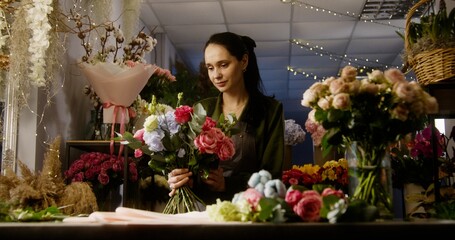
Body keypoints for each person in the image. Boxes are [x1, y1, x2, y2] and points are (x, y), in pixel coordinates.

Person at [167, 31, 285, 206]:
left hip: (250, 211)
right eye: (210, 67)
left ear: (243, 61)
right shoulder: (202, 110)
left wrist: (228, 184)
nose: (216, 75)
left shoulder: (270, 111)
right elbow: (189, 164)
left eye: (223, 65)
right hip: (203, 212)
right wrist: (180, 177)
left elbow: (272, 175)